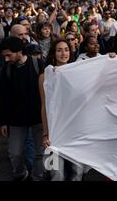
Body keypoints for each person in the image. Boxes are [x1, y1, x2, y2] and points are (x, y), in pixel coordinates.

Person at [0, 37, 45, 181]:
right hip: (16, 120)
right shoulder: (6, 70)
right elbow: (3, 98)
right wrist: (3, 122)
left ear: (19, 51)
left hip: (39, 118)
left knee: (40, 153)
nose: (6, 59)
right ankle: (20, 174)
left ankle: (37, 176)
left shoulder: (38, 64)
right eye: (4, 56)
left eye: (9, 55)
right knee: (15, 153)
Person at [40, 39, 84, 181]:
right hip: (55, 131)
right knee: (56, 174)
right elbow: (44, 105)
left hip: (74, 131)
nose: (63, 53)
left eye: (66, 49)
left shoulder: (78, 72)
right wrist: (46, 134)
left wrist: (112, 58)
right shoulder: (45, 76)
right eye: (59, 50)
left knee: (77, 172)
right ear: (53, 53)